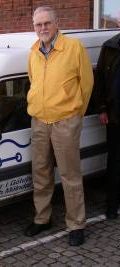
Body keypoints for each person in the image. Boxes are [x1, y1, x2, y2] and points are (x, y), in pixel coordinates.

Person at [25, 6, 94, 246]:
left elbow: (86, 84)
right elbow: (34, 82)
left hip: (65, 121)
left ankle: (76, 224)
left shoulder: (74, 48)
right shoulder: (33, 51)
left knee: (69, 175)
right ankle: (42, 218)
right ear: (34, 27)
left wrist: (76, 115)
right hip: (39, 122)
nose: (42, 28)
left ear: (56, 23)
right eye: (38, 24)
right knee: (41, 173)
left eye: (46, 23)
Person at [94, 14, 120, 220]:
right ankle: (112, 205)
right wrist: (102, 109)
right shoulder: (109, 47)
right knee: (115, 161)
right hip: (115, 116)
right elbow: (100, 80)